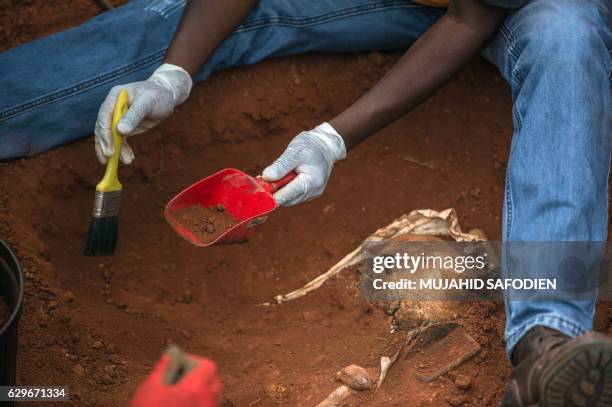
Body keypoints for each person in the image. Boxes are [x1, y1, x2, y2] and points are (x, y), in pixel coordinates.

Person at [1, 0, 610, 405]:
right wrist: (172, 75)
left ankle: (544, 344)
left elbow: (470, 15)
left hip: (522, 10)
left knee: (568, 38)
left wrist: (331, 137)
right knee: (176, 20)